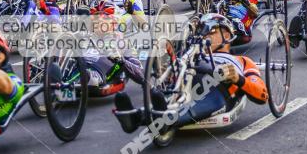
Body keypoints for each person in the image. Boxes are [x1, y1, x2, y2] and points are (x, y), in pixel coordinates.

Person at [113, 14, 267, 132]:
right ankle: (135, 116)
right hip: (185, 84)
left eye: (211, 32)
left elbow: (262, 94)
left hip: (217, 89)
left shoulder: (242, 60)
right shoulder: (191, 54)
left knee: (194, 102)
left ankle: (159, 118)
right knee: (166, 89)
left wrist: (238, 78)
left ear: (226, 35)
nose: (204, 37)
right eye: (202, 33)